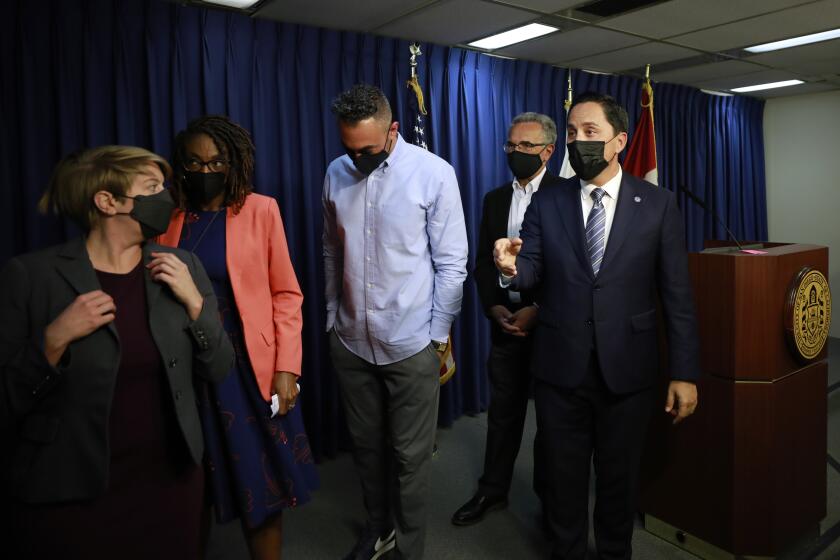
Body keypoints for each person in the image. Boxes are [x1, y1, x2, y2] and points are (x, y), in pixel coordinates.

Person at [494, 92, 700, 559]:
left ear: (620, 141)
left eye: (590, 133)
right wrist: (510, 268)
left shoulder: (658, 204)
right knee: (563, 486)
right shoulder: (549, 199)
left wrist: (685, 373)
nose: (577, 141)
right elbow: (532, 268)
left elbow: (677, 296)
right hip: (560, 369)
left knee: (617, 484)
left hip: (628, 371)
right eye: (571, 133)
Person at [0, 146, 233, 559]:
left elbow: (219, 367)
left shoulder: (183, 266)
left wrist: (196, 304)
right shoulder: (31, 276)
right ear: (107, 202)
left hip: (171, 484)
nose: (167, 198)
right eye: (152, 188)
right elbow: (8, 398)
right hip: (71, 490)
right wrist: (54, 339)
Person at [157, 115, 318, 560]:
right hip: (184, 367)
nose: (205, 172)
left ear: (234, 163)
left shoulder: (259, 210)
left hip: (246, 368)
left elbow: (287, 294)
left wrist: (287, 368)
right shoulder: (168, 217)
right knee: (190, 483)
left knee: (259, 480)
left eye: (216, 163)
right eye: (194, 163)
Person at [323, 84, 468, 560]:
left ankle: (410, 548)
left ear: (393, 131)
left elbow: (452, 264)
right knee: (366, 448)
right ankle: (378, 529)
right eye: (349, 149)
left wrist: (435, 337)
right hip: (351, 341)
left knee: (410, 458)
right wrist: (331, 318)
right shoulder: (335, 173)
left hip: (411, 344)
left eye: (366, 149)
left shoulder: (433, 175)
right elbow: (331, 249)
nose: (356, 158)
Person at [452, 112, 561, 526]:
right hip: (505, 322)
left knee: (551, 421)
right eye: (510, 145)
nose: (515, 152)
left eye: (526, 146)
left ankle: (551, 504)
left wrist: (540, 309)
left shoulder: (567, 195)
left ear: (548, 151)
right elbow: (482, 260)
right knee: (503, 413)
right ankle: (492, 491)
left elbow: (573, 269)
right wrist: (493, 305)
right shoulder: (494, 198)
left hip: (550, 326)